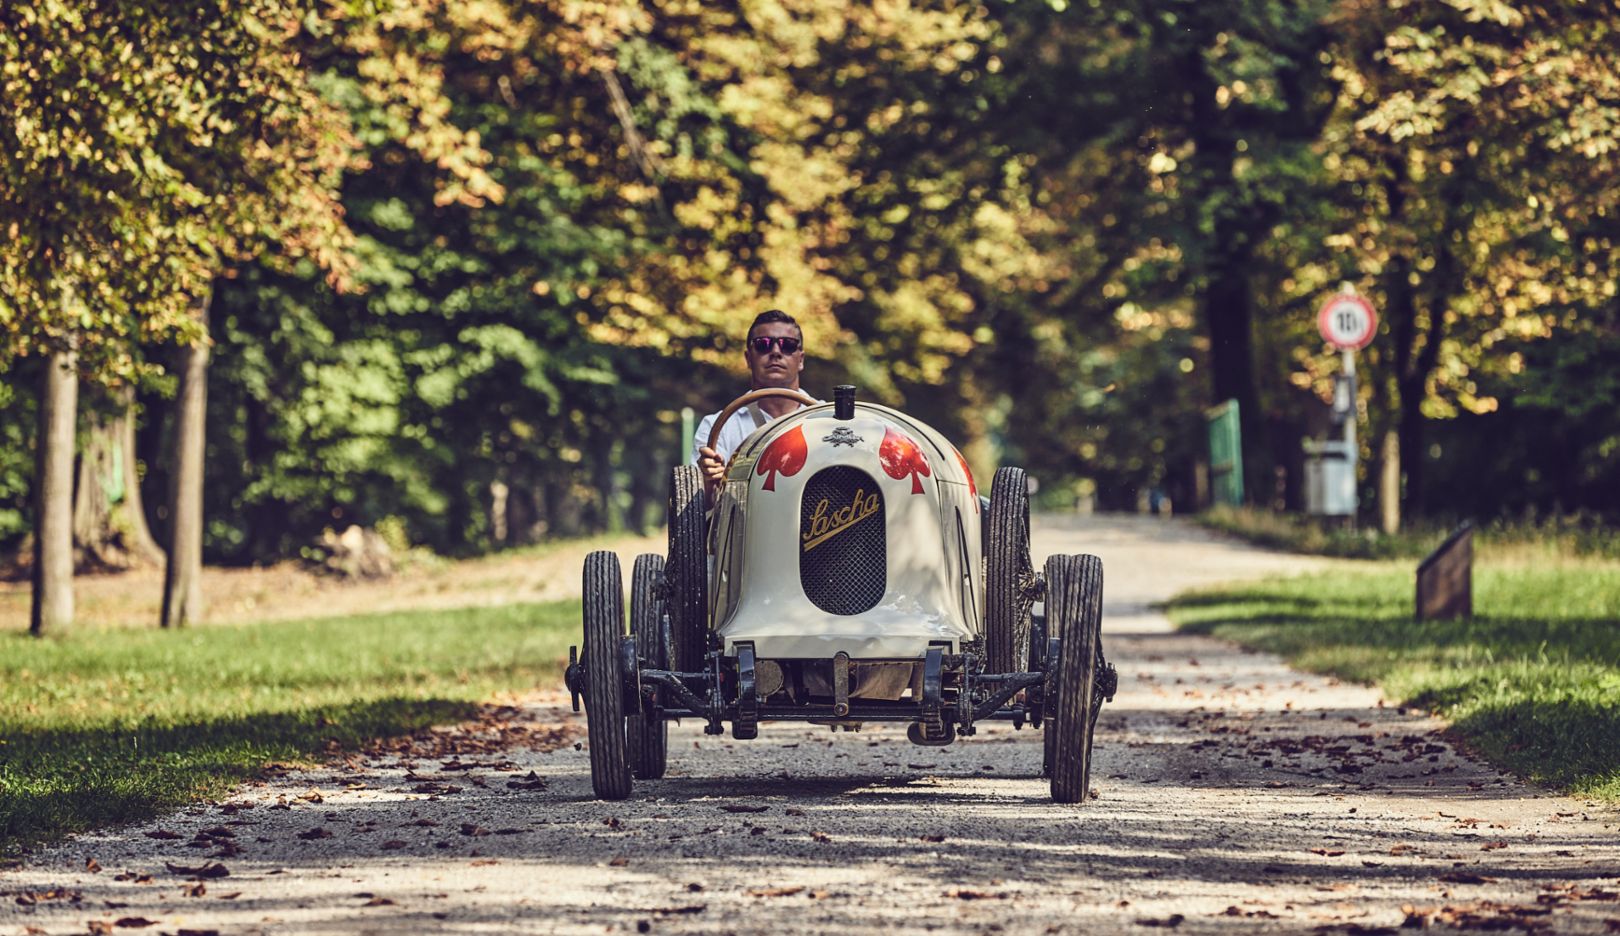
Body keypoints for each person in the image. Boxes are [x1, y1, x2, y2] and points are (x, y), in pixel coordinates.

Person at [693, 310, 816, 497]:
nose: (775, 352)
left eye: (787, 345)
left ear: (801, 359)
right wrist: (708, 482)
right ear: (749, 358)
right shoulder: (718, 427)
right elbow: (698, 511)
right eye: (763, 345)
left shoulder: (828, 420)